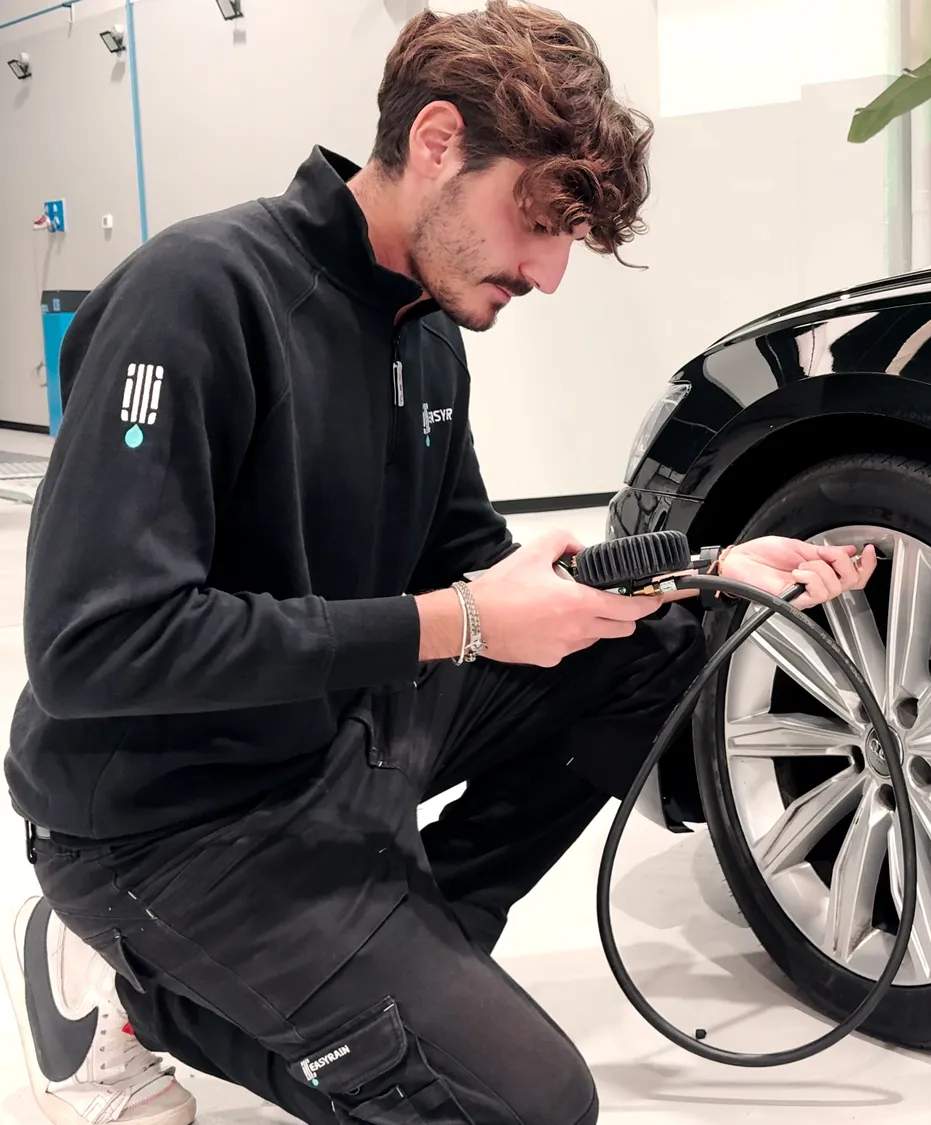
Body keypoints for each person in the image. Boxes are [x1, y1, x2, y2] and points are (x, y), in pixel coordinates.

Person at [0, 3, 876, 1123]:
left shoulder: (423, 334)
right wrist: (455, 621)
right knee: (529, 1109)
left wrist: (700, 568)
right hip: (164, 816)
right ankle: (129, 991)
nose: (548, 273)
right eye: (538, 222)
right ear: (436, 142)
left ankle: (416, 960)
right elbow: (93, 649)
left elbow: (474, 564)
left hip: (330, 735)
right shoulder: (198, 294)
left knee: (658, 644)